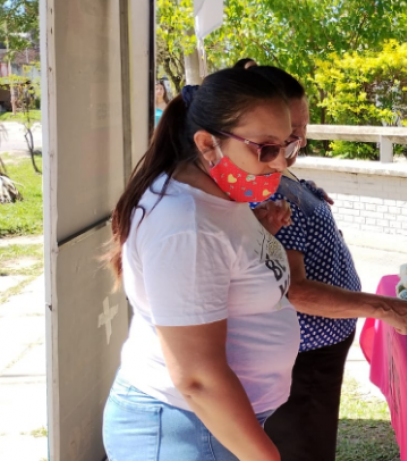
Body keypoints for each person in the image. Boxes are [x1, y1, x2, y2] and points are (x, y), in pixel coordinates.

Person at [102, 68, 301, 461]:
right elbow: (197, 378)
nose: (280, 163)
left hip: (209, 423)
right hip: (188, 428)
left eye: (288, 145)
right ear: (208, 144)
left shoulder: (220, 193)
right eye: (266, 148)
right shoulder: (186, 223)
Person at [242, 63, 407, 461]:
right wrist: (383, 308)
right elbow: (294, 290)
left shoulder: (279, 177)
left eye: (301, 133)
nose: (295, 148)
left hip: (319, 349)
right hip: (304, 357)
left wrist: (309, 195)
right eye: (287, 138)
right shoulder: (267, 195)